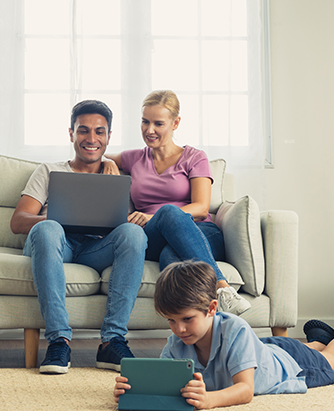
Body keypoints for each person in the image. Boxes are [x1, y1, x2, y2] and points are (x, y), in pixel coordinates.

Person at [10, 100, 147, 375]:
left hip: (97, 248)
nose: (91, 138)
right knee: (48, 229)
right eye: (83, 130)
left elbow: (123, 226)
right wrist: (59, 218)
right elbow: (18, 222)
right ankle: (59, 340)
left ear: (109, 137)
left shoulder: (118, 176)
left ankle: (112, 340)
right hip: (57, 245)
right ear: (71, 134)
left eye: (99, 131)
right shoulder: (49, 171)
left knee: (133, 233)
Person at [113, 260, 334, 409]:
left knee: (330, 361)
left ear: (211, 308)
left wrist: (208, 400)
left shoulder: (236, 330)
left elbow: (245, 390)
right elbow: (163, 388)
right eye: (171, 321)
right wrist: (133, 390)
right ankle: (320, 338)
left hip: (287, 361)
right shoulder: (176, 343)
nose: (179, 329)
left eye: (187, 319)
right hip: (262, 350)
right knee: (313, 349)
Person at [104, 90, 250, 315]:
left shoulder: (194, 157)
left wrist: (155, 216)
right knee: (167, 219)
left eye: (158, 124)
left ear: (175, 123)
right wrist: (108, 164)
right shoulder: (134, 158)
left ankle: (200, 323)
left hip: (199, 231)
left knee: (170, 255)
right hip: (151, 236)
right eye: (145, 122)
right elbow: (96, 153)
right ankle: (222, 290)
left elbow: (201, 208)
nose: (149, 130)